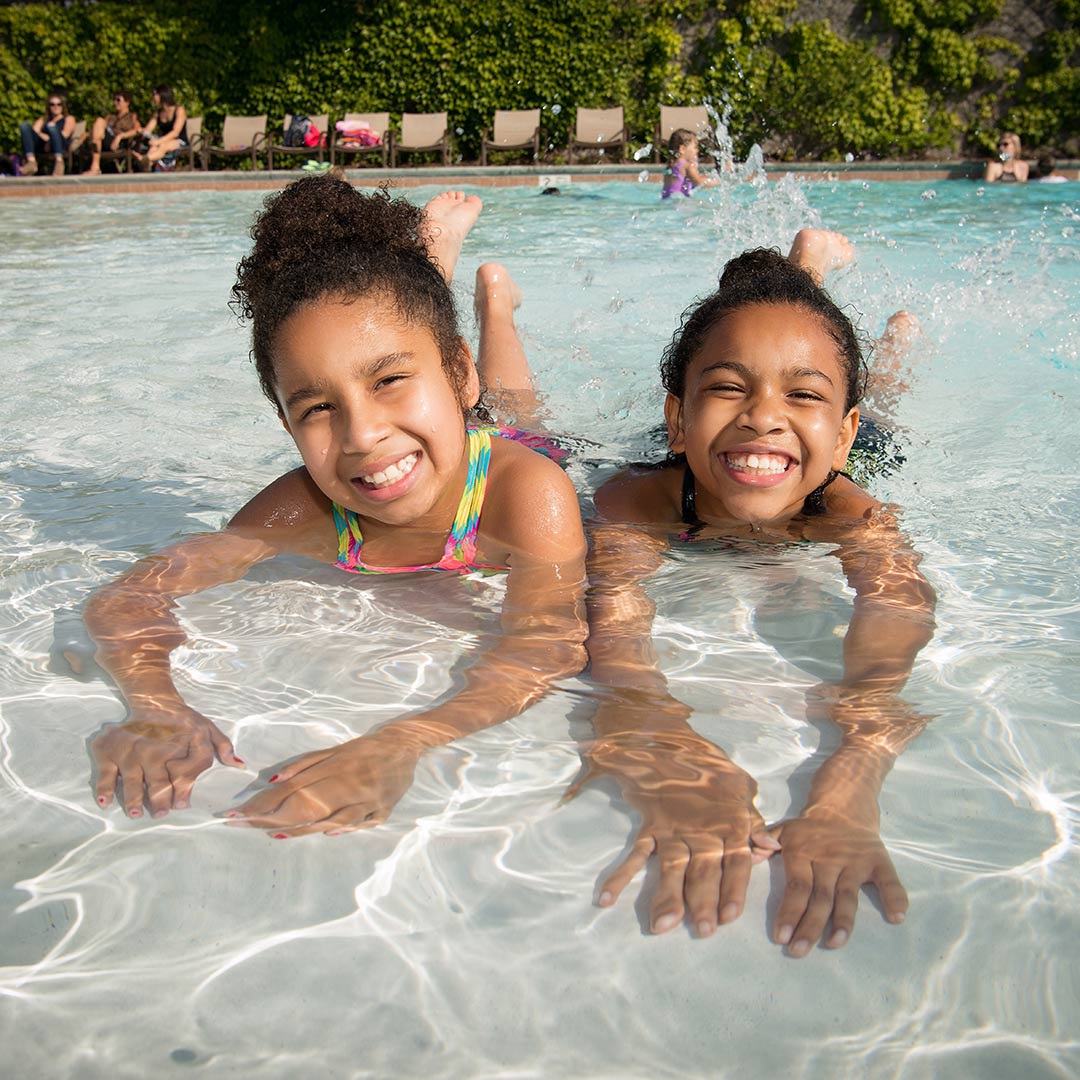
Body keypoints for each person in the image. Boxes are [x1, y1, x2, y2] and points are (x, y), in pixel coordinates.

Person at [85, 180, 588, 829]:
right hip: (435, 428)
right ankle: (427, 291)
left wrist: (400, 743)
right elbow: (127, 599)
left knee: (518, 405)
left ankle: (494, 304)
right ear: (287, 426)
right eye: (318, 407)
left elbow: (543, 648)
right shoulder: (305, 508)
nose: (361, 435)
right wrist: (155, 706)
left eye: (388, 381)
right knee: (394, 334)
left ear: (457, 375)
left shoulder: (528, 494)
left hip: (499, 447)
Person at [571, 233, 936, 953]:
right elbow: (613, 635)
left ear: (840, 439)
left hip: (801, 459)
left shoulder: (849, 508)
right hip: (713, 462)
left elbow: (898, 610)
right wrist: (663, 745)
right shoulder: (634, 502)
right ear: (677, 418)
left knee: (882, 406)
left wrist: (854, 772)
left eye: (800, 397)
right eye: (729, 388)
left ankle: (871, 335)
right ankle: (802, 289)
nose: (763, 413)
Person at [19, 91, 76, 177]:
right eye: (52, 104)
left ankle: (59, 162)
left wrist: (50, 138)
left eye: (59, 104)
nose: (56, 107)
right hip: (43, 145)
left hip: (59, 143)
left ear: (62, 106)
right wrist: (45, 137)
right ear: (48, 107)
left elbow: (65, 135)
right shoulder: (42, 121)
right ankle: (31, 162)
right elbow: (34, 134)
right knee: (24, 126)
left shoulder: (68, 119)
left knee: (51, 127)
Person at [87, 89, 141, 175]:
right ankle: (95, 164)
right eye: (114, 100)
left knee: (100, 121)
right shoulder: (110, 117)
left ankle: (95, 166)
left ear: (127, 102)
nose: (115, 102)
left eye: (118, 100)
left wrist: (120, 136)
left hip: (120, 143)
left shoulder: (132, 117)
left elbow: (137, 131)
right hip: (106, 140)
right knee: (99, 122)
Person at [134, 84, 188, 171]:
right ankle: (147, 164)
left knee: (162, 146)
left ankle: (144, 160)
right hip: (162, 140)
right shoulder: (158, 113)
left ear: (162, 95)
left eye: (154, 94)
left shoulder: (179, 110)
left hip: (178, 141)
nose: (153, 97)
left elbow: (175, 132)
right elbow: (148, 129)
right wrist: (141, 131)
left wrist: (158, 141)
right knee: (153, 147)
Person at [661, 129, 719, 199]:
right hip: (680, 203)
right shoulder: (687, 166)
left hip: (667, 201)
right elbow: (698, 181)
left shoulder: (671, 166)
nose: (697, 150)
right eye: (695, 147)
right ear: (682, 149)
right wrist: (718, 181)